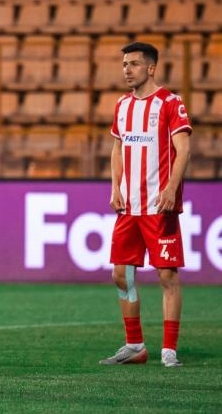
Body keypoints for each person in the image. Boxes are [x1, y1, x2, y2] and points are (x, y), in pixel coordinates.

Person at [100, 42, 191, 368]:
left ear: (151, 68)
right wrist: (115, 187)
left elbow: (183, 149)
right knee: (120, 275)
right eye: (125, 64)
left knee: (167, 276)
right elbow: (117, 148)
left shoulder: (170, 103)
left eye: (134, 64)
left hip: (158, 207)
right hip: (129, 208)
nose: (127, 69)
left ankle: (169, 350)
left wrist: (171, 188)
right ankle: (135, 345)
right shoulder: (122, 105)